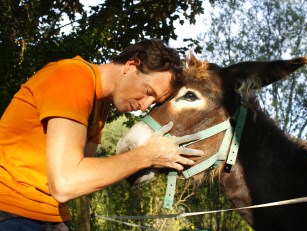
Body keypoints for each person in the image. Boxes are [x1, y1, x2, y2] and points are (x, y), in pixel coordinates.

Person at [0, 39, 203, 230]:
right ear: (131, 65)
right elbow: (65, 183)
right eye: (148, 91)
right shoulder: (72, 77)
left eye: (153, 102)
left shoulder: (100, 105)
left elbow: (82, 179)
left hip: (50, 217)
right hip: (11, 211)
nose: (144, 106)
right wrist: (147, 155)